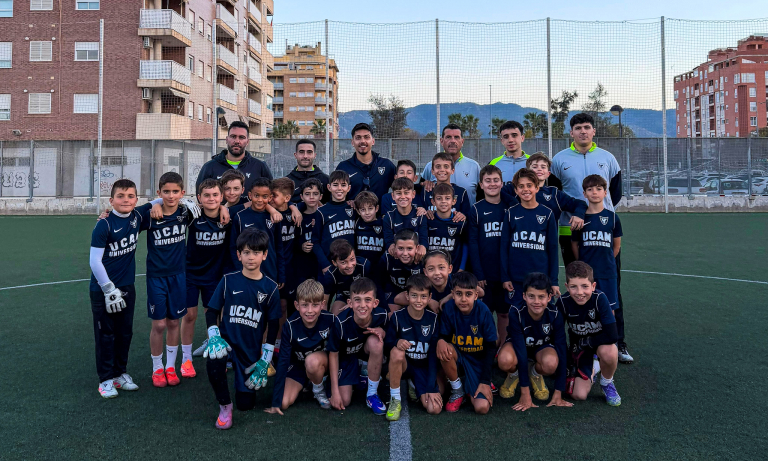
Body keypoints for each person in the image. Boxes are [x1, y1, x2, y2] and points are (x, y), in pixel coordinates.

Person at [549, 113, 632, 363]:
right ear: (571, 133)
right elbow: (556, 195)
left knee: (611, 289)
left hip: (603, 233)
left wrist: (600, 214)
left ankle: (618, 342)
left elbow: (615, 193)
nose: (582, 131)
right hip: (571, 231)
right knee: (578, 288)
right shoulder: (560, 159)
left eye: (587, 127)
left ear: (594, 131)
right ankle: (581, 343)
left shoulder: (607, 158)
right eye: (578, 128)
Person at [203, 228, 282, 429]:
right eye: (246, 252)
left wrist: (266, 358)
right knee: (214, 359)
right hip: (226, 342)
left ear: (265, 255)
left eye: (256, 252)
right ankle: (225, 406)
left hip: (250, 349)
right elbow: (211, 311)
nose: (251, 257)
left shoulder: (270, 288)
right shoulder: (228, 280)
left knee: (246, 405)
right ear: (239, 255)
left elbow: (273, 324)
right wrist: (214, 336)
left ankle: (246, 383)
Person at [136, 172, 195, 388]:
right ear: (159, 192)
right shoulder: (150, 215)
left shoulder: (186, 212)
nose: (171, 196)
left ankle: (170, 367)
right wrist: (154, 204)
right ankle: (157, 368)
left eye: (175, 191)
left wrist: (224, 209)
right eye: (166, 192)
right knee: (159, 324)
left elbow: (211, 206)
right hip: (156, 276)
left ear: (182, 192)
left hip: (178, 276)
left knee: (173, 322)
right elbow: (129, 215)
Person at [89, 179, 143, 398]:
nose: (126, 200)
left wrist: (187, 203)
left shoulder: (138, 217)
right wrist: (108, 288)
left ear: (136, 200)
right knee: (105, 334)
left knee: (124, 332)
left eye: (130, 196)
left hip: (127, 286)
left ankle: (120, 373)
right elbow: (94, 261)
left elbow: (161, 201)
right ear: (111, 201)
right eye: (120, 196)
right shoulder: (104, 224)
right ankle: (105, 379)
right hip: (103, 290)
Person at [180, 179, 232, 379]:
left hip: (214, 276)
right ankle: (186, 359)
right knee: (189, 315)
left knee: (213, 315)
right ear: (199, 198)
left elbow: (247, 204)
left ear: (222, 197)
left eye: (215, 195)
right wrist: (186, 201)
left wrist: (225, 208)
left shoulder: (228, 217)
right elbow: (171, 203)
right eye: (207, 195)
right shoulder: (193, 215)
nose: (211, 199)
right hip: (191, 275)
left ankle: (215, 351)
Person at [498, 273, 570, 410]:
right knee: (504, 360)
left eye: (541, 297)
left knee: (551, 363)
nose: (536, 301)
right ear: (524, 296)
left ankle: (535, 373)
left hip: (542, 347)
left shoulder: (555, 314)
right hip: (518, 347)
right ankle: (514, 374)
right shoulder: (516, 312)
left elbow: (561, 349)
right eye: (531, 296)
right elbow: (520, 350)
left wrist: (558, 392)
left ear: (549, 297)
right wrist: (525, 393)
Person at [556, 261, 621, 406]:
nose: (580, 292)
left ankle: (607, 383)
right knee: (578, 395)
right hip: (579, 349)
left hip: (600, 344)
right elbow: (557, 335)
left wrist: (588, 342)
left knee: (609, 352)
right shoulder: (563, 302)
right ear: (567, 286)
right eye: (573, 286)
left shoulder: (600, 299)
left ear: (593, 286)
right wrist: (567, 360)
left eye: (585, 286)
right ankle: (594, 368)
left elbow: (612, 335)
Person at [267, 279, 336, 414]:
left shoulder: (331, 320)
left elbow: (337, 353)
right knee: (283, 403)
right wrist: (275, 402)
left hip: (321, 364)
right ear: (297, 305)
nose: (310, 311)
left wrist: (334, 391)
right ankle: (308, 382)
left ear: (322, 304)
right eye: (305, 305)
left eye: (315, 305)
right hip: (298, 365)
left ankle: (319, 390)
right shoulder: (290, 326)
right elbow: (283, 361)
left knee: (312, 361)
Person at [437, 271, 497, 414]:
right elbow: (444, 335)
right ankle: (458, 390)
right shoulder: (449, 308)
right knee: (444, 348)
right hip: (458, 357)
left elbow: (491, 347)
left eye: (468, 294)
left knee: (481, 407)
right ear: (453, 294)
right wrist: (440, 340)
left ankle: (473, 383)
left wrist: (484, 381)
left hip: (477, 361)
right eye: (459, 294)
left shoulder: (483, 311)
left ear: (476, 295)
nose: (463, 299)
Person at [326, 277, 388, 415]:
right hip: (345, 359)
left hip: (363, 353)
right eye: (357, 300)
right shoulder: (340, 322)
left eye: (367, 300)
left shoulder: (382, 315)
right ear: (350, 303)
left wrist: (383, 332)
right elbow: (333, 354)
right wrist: (335, 391)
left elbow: (390, 338)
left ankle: (372, 394)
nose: (362, 305)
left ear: (375, 303)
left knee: (376, 342)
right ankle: (358, 378)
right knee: (344, 400)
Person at [385, 274, 442, 421]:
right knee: (396, 352)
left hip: (423, 368)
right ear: (407, 296)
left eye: (423, 296)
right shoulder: (397, 317)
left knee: (434, 408)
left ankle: (414, 384)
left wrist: (430, 387)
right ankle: (395, 399)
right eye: (414, 295)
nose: (418, 300)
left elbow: (433, 355)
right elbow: (387, 342)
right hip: (405, 365)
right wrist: (396, 342)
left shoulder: (433, 319)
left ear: (429, 297)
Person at [500, 169, 559, 309]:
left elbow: (553, 250)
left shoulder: (547, 214)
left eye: (529, 185)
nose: (525, 189)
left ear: (537, 188)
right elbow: (504, 247)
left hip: (541, 278)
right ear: (516, 190)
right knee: (516, 315)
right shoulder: (511, 213)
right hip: (516, 279)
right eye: (521, 186)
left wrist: (554, 281)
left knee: (541, 315)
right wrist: (505, 277)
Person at [469, 165, 509, 346]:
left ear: (502, 183)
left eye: (495, 180)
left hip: (505, 273)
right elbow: (473, 243)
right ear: (481, 185)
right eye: (488, 181)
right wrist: (478, 273)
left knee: (504, 313)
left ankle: (503, 349)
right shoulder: (476, 209)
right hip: (485, 273)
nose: (492, 184)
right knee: (484, 312)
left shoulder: (510, 207)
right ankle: (486, 350)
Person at [571, 175, 623, 311]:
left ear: (605, 193)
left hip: (607, 272)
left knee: (608, 309)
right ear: (584, 194)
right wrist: (581, 262)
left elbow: (616, 245)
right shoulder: (580, 219)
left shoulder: (613, 218)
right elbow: (574, 244)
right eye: (590, 189)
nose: (594, 192)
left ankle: (609, 327)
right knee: (586, 308)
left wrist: (608, 260)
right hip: (586, 274)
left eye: (599, 189)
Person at [500, 152, 587, 231]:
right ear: (528, 171)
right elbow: (501, 193)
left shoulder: (554, 194)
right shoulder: (518, 189)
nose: (539, 169)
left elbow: (580, 204)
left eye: (543, 167)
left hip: (547, 241)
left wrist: (579, 215)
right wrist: (515, 204)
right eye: (535, 167)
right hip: (521, 240)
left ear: (548, 173)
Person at [230, 178, 285, 288]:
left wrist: (281, 274)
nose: (260, 200)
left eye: (264, 196)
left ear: (270, 197)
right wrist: (239, 270)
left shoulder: (274, 217)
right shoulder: (240, 217)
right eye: (256, 195)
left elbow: (279, 247)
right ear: (250, 195)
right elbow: (233, 247)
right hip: (246, 271)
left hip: (270, 270)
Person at [195, 121, 273, 197]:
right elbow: (201, 195)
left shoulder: (260, 166)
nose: (237, 141)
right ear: (227, 139)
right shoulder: (209, 167)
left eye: (241, 137)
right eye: (233, 136)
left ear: (247, 141)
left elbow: (270, 194)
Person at [421, 124, 481, 203]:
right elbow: (420, 191)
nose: (453, 141)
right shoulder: (430, 166)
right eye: (448, 137)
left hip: (468, 211)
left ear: (462, 141)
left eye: (456, 137)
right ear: (441, 141)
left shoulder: (474, 166)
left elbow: (481, 196)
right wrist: (424, 183)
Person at [335, 123, 396, 200]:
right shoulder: (343, 167)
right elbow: (335, 196)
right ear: (352, 142)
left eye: (366, 137)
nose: (362, 141)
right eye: (358, 138)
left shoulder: (386, 165)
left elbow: (402, 188)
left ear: (373, 141)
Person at [315, 170, 357, 273]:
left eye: (343, 185)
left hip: (350, 265)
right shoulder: (321, 212)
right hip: (330, 265)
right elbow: (315, 242)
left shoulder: (354, 209)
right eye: (335, 185)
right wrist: (324, 264)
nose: (339, 188)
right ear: (329, 187)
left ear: (349, 188)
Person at [376, 229, 424, 314]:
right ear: (394, 247)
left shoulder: (423, 260)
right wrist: (385, 307)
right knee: (391, 315)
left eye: (409, 248)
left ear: (417, 248)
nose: (405, 253)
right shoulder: (387, 258)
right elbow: (377, 283)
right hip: (393, 293)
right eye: (400, 248)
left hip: (417, 296)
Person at [319, 239, 372, 314]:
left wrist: (354, 302)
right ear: (334, 263)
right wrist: (325, 317)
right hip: (344, 296)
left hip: (364, 296)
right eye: (343, 262)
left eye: (352, 259)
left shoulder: (364, 265)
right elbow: (324, 302)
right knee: (336, 315)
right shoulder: (331, 275)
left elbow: (373, 290)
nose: (349, 265)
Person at [382, 177, 428, 259]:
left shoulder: (420, 215)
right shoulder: (389, 217)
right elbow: (388, 239)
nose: (403, 197)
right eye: (398, 193)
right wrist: (391, 246)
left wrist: (423, 246)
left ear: (413, 194)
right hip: (398, 254)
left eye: (406, 193)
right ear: (393, 196)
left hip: (415, 255)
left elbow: (423, 237)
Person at [426, 183, 467, 273]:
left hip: (453, 271)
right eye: (439, 198)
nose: (443, 201)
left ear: (454, 201)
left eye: (447, 198)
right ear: (433, 201)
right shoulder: (427, 220)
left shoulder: (460, 222)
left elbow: (465, 245)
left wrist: (462, 268)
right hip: (431, 271)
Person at [422, 152, 471, 219]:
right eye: (438, 167)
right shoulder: (426, 191)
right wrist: (424, 212)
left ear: (452, 170)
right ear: (432, 171)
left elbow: (467, 216)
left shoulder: (461, 192)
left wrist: (462, 216)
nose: (442, 170)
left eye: (446, 166)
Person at [285, 139, 331, 204]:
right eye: (301, 152)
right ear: (295, 155)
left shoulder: (326, 180)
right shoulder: (287, 182)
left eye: (309, 152)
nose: (305, 156)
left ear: (314, 155)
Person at [353, 191, 386, 264]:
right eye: (363, 210)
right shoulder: (356, 223)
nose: (367, 213)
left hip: (379, 266)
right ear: (358, 211)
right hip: (361, 265)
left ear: (376, 208)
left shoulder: (384, 223)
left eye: (370, 208)